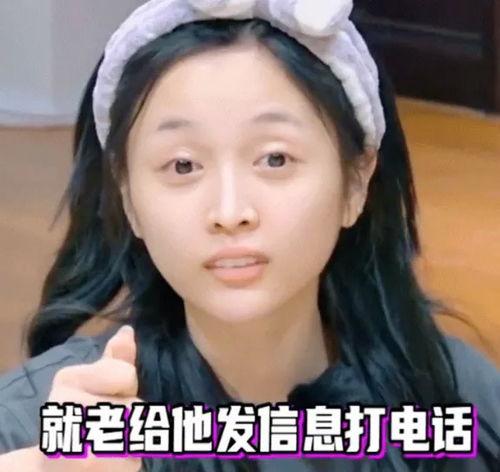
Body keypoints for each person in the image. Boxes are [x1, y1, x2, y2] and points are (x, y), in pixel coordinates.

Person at [0, 0, 498, 471]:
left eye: (275, 159)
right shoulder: (41, 422)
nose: (230, 212)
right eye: (183, 165)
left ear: (355, 183)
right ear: (129, 198)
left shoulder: (454, 397)